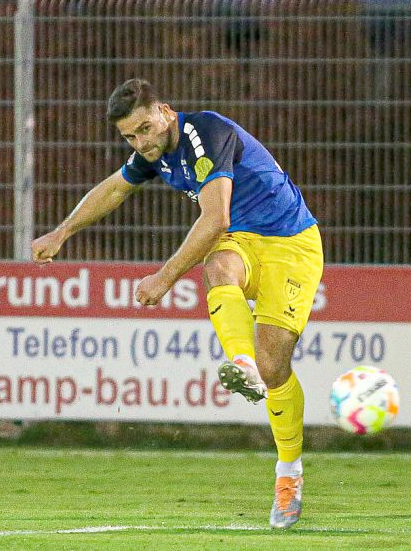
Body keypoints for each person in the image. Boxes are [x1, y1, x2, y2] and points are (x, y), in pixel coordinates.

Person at [30, 79, 323, 529]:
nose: (141, 142)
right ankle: (241, 364)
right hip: (243, 242)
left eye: (146, 128)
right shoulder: (154, 153)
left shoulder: (206, 132)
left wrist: (165, 277)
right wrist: (62, 231)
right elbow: (113, 188)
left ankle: (289, 472)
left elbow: (216, 217)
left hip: (291, 245)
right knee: (219, 267)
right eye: (130, 136)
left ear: (165, 110)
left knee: (275, 367)